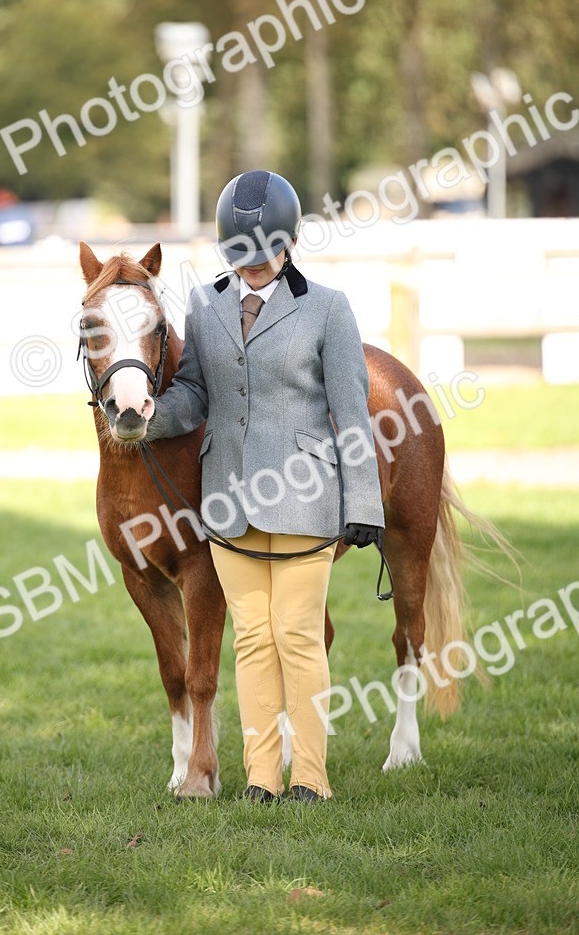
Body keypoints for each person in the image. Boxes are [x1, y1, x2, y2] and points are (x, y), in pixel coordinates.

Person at [144, 169, 384, 803]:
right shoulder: (206, 304)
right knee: (251, 639)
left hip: (305, 496)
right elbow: (194, 393)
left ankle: (311, 777)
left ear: (290, 243)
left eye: (264, 253)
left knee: (297, 636)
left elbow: (352, 413)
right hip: (228, 499)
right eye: (239, 255)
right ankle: (262, 778)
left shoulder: (328, 308)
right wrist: (148, 415)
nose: (251, 266)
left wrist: (364, 501)